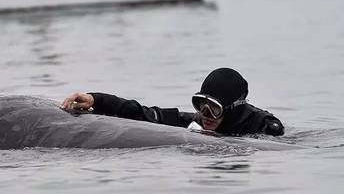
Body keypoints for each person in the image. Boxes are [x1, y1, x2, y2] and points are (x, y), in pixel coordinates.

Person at [60, 68, 285, 136]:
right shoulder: (195, 123)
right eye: (201, 105)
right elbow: (143, 113)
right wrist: (96, 99)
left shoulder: (265, 128)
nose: (205, 115)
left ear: (232, 109)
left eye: (214, 109)